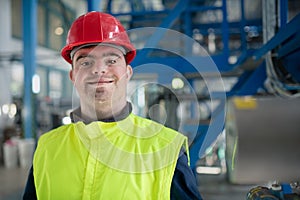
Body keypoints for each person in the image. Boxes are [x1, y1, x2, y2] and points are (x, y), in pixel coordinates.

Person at [23, 11, 202, 200]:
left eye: (111, 60)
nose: (98, 69)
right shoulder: (47, 148)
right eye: (85, 61)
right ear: (73, 76)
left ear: (128, 73)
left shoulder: (166, 150)